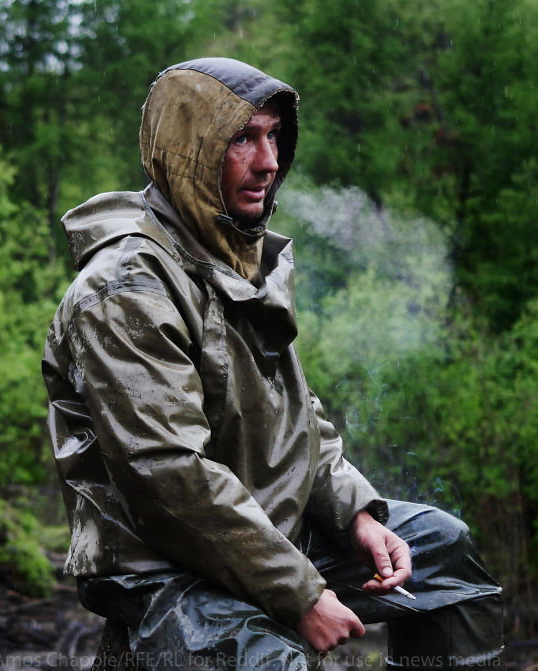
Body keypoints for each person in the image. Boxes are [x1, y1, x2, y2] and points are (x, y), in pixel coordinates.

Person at [42, 57, 503, 670]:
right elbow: (169, 477)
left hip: (265, 527)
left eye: (274, 136)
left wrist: (357, 512)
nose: (268, 162)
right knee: (273, 662)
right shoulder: (126, 289)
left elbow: (295, 414)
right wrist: (301, 593)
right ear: (189, 151)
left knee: (444, 552)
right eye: (242, 138)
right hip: (161, 565)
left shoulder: (235, 254)